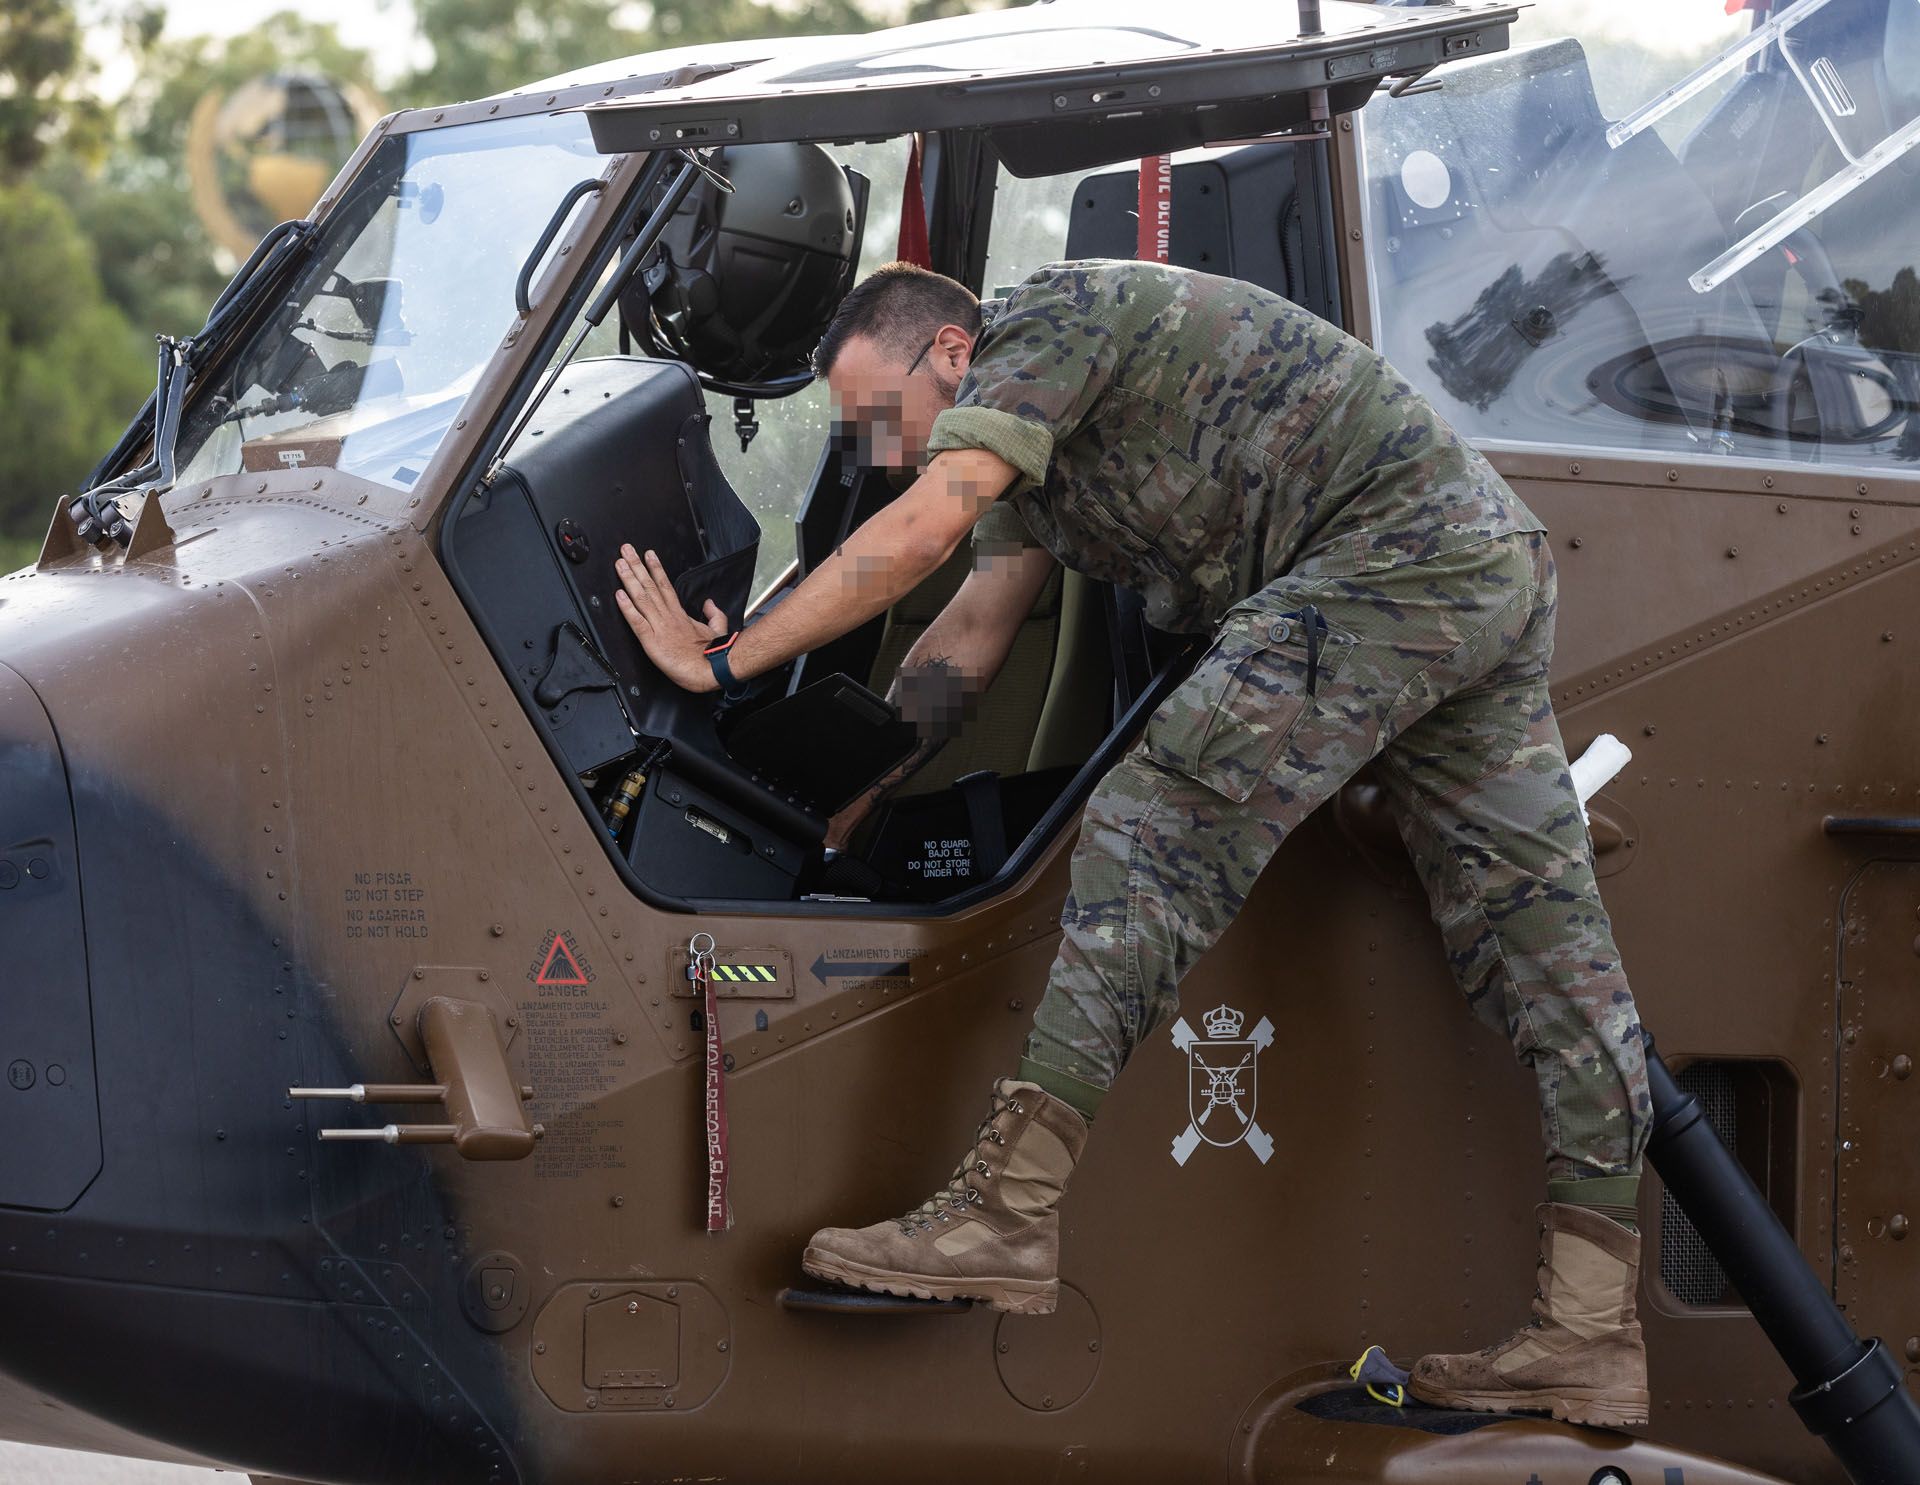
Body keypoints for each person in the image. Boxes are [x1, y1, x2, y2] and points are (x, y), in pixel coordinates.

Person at [612, 258, 1653, 1428]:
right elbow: (968, 633)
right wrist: (845, 799)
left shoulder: (1052, 321)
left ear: (953, 355)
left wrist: (722, 661)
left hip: (1392, 559)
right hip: (1473, 565)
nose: (886, 452)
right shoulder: (1034, 447)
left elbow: (923, 532)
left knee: (1155, 823)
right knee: (1550, 955)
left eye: (884, 417)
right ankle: (1589, 1332)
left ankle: (1007, 1211)